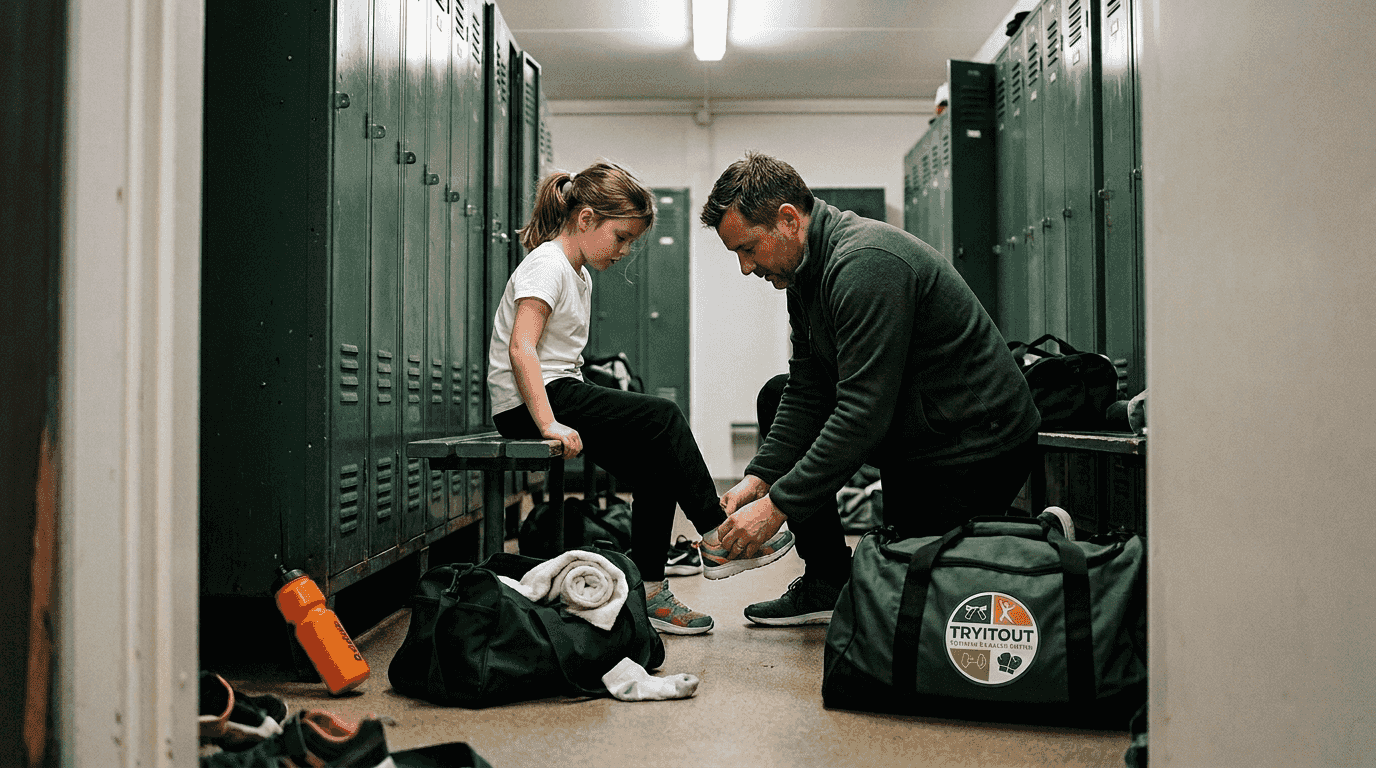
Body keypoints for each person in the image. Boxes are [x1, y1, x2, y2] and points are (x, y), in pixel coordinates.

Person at [701, 151, 1042, 627]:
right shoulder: (802, 274)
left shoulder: (864, 264)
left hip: (975, 443)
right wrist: (759, 479)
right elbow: (807, 390)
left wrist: (777, 508)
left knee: (917, 601)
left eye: (748, 249)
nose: (745, 267)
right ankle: (826, 582)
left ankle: (1033, 540)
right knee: (777, 394)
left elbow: (861, 413)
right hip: (919, 430)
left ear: (787, 220)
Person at [487, 160, 792, 636]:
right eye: (621, 237)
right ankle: (715, 534)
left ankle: (650, 593)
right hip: (531, 403)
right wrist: (548, 424)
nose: (626, 251)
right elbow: (521, 347)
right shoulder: (546, 266)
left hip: (559, 392)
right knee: (663, 415)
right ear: (586, 219)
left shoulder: (577, 272)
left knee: (657, 464)